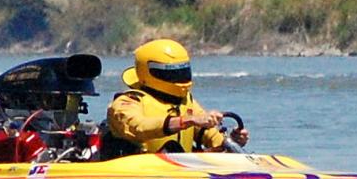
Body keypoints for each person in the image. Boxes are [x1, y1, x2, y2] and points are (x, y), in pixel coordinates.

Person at [106, 38, 250, 155]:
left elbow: (213, 138)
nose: (179, 77)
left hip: (179, 173)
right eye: (171, 72)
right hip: (137, 174)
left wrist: (232, 141)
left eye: (183, 70)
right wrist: (187, 120)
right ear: (148, 71)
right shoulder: (128, 101)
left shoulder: (185, 100)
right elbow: (138, 127)